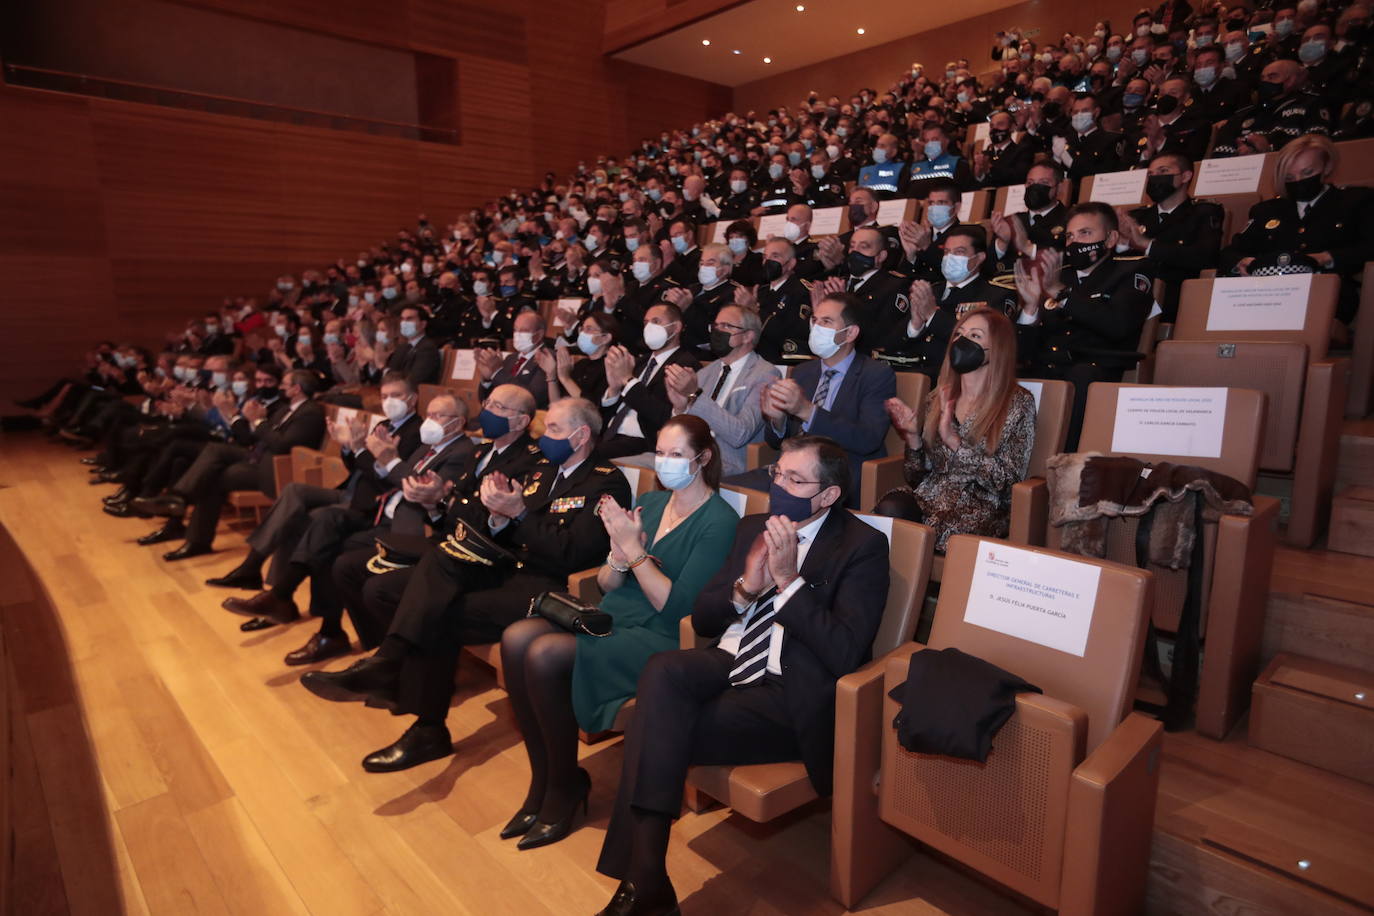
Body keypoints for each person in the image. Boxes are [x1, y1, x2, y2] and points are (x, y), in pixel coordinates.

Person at [592, 435, 890, 916]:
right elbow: (706, 620)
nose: (780, 486)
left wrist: (790, 581)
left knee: (657, 728)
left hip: (787, 690)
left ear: (829, 494)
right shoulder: (753, 525)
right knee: (663, 671)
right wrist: (746, 587)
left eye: (796, 479)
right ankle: (646, 878)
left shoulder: (862, 546)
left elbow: (845, 650)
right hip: (730, 659)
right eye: (778, 474)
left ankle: (644, 881)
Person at [300, 398, 632, 773]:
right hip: (505, 565)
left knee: (437, 613)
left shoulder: (606, 481)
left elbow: (571, 554)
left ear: (582, 434)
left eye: (553, 429)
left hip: (547, 586)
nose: (544, 438)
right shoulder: (539, 469)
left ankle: (426, 723)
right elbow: (491, 521)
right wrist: (496, 517)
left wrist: (518, 514)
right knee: (405, 578)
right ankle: (389, 661)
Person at [497, 416, 738, 850]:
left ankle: (563, 788)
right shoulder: (652, 499)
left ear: (702, 459)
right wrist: (617, 554)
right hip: (614, 615)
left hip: (663, 637)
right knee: (516, 638)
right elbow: (608, 585)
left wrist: (636, 550)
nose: (665, 463)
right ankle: (545, 782)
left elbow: (677, 608)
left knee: (545, 654)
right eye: (660, 453)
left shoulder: (719, 521)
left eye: (676, 455)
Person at [223, 394, 474, 663]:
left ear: (458, 423)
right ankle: (284, 597)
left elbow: (423, 489)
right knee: (324, 521)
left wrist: (386, 459)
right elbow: (388, 478)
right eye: (430, 414)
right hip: (380, 510)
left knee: (332, 550)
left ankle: (325, 629)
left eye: (438, 416)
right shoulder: (427, 447)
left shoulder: (461, 451)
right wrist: (365, 453)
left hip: (409, 527)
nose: (430, 421)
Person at [330, 386, 544, 651]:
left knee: (379, 589)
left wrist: (445, 501)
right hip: (446, 541)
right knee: (346, 565)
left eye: (498, 407)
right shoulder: (482, 452)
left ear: (522, 421)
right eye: (487, 403)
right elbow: (447, 516)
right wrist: (433, 504)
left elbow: (486, 521)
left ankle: (394, 659)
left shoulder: (529, 460)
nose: (487, 411)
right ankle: (376, 650)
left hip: (479, 555)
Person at [203, 371, 424, 592]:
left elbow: (386, 477)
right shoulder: (383, 424)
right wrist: (347, 446)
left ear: (412, 399)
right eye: (384, 396)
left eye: (395, 395)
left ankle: (275, 591)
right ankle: (253, 568)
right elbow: (357, 467)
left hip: (371, 500)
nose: (389, 402)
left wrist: (358, 450)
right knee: (294, 492)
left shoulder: (417, 432)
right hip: (351, 489)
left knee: (301, 518)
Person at [875, 308, 1036, 551]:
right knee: (889, 510)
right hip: (931, 498)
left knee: (925, 533)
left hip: (982, 506)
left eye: (975, 336)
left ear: (997, 348)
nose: (962, 341)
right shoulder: (937, 397)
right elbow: (917, 478)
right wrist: (912, 439)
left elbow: (1009, 483)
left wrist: (956, 444)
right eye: (959, 334)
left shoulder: (1017, 403)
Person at [132, 369, 327, 558]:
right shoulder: (286, 409)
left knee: (212, 476)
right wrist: (252, 422)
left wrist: (259, 422)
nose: (281, 388)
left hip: (275, 470)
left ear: (297, 389)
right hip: (258, 457)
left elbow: (283, 445)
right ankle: (182, 509)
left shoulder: (310, 413)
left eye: (284, 385)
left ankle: (190, 526)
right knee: (213, 452)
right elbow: (252, 438)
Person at [1014, 202, 1154, 449]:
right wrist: (1029, 309)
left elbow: (1118, 326)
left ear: (1110, 239)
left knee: (1080, 376)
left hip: (1094, 370)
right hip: (1047, 367)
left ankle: (1058, 462)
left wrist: (1062, 293)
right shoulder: (1059, 276)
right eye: (1070, 236)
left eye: (1085, 233)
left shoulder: (1131, 271)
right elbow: (1022, 351)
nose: (1074, 242)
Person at [742, 293, 895, 502]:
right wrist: (777, 420)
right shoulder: (802, 371)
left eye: (826, 321)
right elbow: (776, 441)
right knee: (727, 489)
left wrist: (807, 411)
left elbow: (867, 439)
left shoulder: (876, 375)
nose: (816, 327)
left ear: (850, 333)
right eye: (814, 320)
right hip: (789, 471)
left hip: (836, 477)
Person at [1220, 134, 1374, 326]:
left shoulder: (1355, 202)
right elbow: (1230, 252)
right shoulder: (1267, 210)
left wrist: (1327, 258)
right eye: (1290, 177)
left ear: (1326, 166)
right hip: (1266, 296)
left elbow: (1368, 248)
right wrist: (1242, 262)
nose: (1299, 181)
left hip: (1325, 294)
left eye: (1307, 172)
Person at [664, 306, 780, 476]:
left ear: (748, 336)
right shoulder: (705, 373)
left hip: (729, 463)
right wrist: (680, 409)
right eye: (716, 326)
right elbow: (682, 432)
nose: (718, 331)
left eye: (726, 326)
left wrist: (695, 395)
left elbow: (740, 434)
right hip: (690, 457)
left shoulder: (766, 375)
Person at [1117, 153, 1225, 321]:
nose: (1154, 178)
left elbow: (1205, 257)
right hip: (1132, 292)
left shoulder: (1203, 213)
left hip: (1174, 297)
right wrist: (1122, 243)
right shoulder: (1137, 216)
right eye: (1151, 174)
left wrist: (1146, 245)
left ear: (1185, 176)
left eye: (1163, 171)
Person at [598, 303, 701, 459]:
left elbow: (666, 416)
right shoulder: (639, 362)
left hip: (644, 441)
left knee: (579, 456)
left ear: (676, 327)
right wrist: (613, 390)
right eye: (646, 323)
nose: (649, 327)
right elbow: (607, 414)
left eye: (656, 321)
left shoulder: (686, 366)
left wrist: (628, 380)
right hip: (611, 435)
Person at [476, 310, 551, 408]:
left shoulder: (548, 358)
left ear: (539, 334)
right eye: (515, 330)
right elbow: (485, 400)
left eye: (524, 330)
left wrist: (497, 371)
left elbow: (532, 398)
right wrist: (487, 380)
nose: (518, 335)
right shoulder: (510, 359)